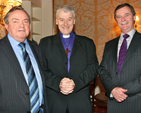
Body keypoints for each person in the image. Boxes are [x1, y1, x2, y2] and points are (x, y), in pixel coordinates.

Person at [39, 5, 98, 113]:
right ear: (56, 21)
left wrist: (75, 82)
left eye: (69, 19)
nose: (65, 23)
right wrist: (58, 83)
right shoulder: (45, 43)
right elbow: (41, 70)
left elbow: (93, 68)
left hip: (80, 102)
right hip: (55, 102)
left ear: (74, 21)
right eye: (61, 19)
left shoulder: (88, 43)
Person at [1, 6, 48, 113]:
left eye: (25, 21)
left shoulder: (37, 48)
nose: (22, 25)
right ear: (6, 25)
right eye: (15, 21)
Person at [99, 3, 141, 113]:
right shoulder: (109, 45)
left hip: (137, 102)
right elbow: (102, 70)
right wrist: (113, 90)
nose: (123, 19)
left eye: (126, 15)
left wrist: (122, 92)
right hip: (114, 103)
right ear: (116, 21)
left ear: (134, 17)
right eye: (119, 17)